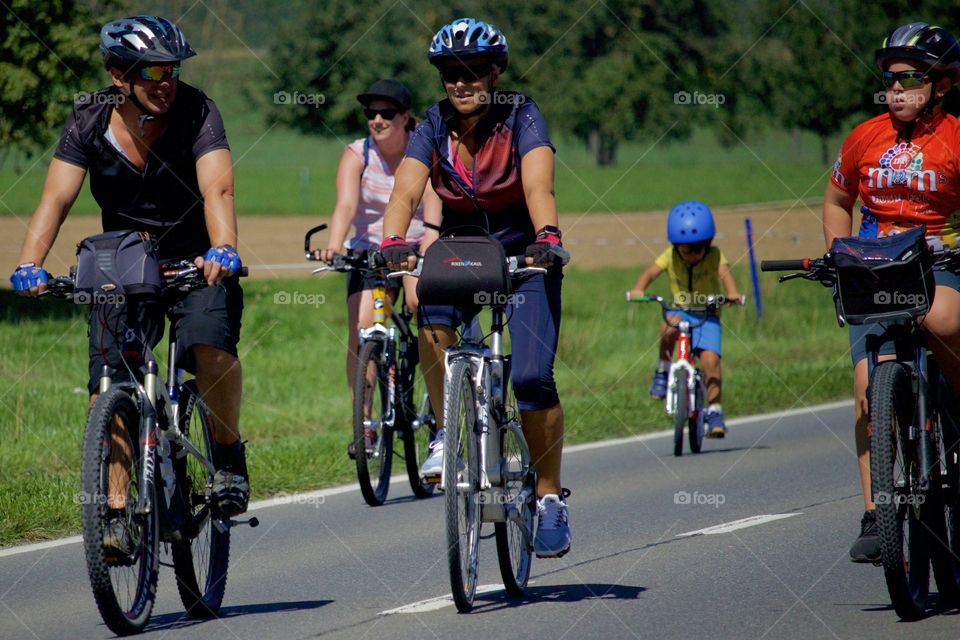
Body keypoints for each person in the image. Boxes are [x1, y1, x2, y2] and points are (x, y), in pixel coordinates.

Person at [10, 16, 249, 555]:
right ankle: (117, 514)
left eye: (173, 70)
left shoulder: (198, 110)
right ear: (120, 75)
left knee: (209, 348)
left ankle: (228, 457)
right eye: (154, 71)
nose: (168, 82)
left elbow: (219, 189)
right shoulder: (88, 118)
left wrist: (223, 248)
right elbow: (56, 198)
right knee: (110, 385)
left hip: (196, 259)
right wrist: (30, 263)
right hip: (122, 263)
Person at [379, 18, 572, 558]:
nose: (460, 83)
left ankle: (549, 497)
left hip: (525, 254)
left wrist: (547, 237)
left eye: (472, 72)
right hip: (462, 250)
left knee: (531, 378)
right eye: (450, 74)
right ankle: (447, 431)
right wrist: (393, 241)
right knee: (431, 310)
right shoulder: (433, 123)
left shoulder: (521, 115)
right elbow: (405, 191)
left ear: (494, 73)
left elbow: (538, 185)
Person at [822, 22, 960, 563]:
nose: (896, 88)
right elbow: (837, 201)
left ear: (942, 84)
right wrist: (837, 257)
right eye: (889, 79)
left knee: (942, 321)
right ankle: (876, 514)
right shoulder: (864, 136)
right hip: (875, 268)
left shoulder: (955, 138)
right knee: (866, 386)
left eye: (910, 78)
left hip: (940, 262)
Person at [313, 80, 441, 427]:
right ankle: (365, 424)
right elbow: (346, 205)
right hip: (370, 250)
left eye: (386, 113)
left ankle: (436, 399)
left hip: (414, 244)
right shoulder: (359, 154)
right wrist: (334, 246)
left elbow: (433, 195)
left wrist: (431, 235)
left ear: (404, 117)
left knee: (419, 306)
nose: (377, 120)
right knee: (362, 328)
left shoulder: (422, 147)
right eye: (371, 113)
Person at [629, 201, 743, 436]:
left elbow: (725, 275)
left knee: (710, 361)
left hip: (707, 314)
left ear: (707, 244)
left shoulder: (715, 256)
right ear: (675, 246)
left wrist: (732, 294)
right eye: (685, 250)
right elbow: (650, 272)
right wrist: (639, 289)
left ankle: (715, 411)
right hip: (680, 310)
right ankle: (663, 371)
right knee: (667, 327)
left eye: (697, 249)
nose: (691, 255)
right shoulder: (669, 256)